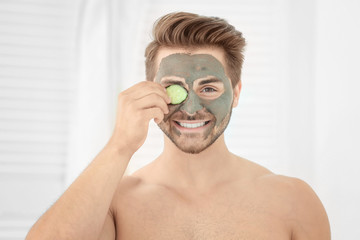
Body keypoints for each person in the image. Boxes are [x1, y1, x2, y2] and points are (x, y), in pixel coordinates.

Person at [26, 12, 331, 240]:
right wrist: (120, 144)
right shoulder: (115, 203)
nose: (191, 108)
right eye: (174, 88)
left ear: (236, 93)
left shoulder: (293, 200)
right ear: (150, 91)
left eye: (209, 89)